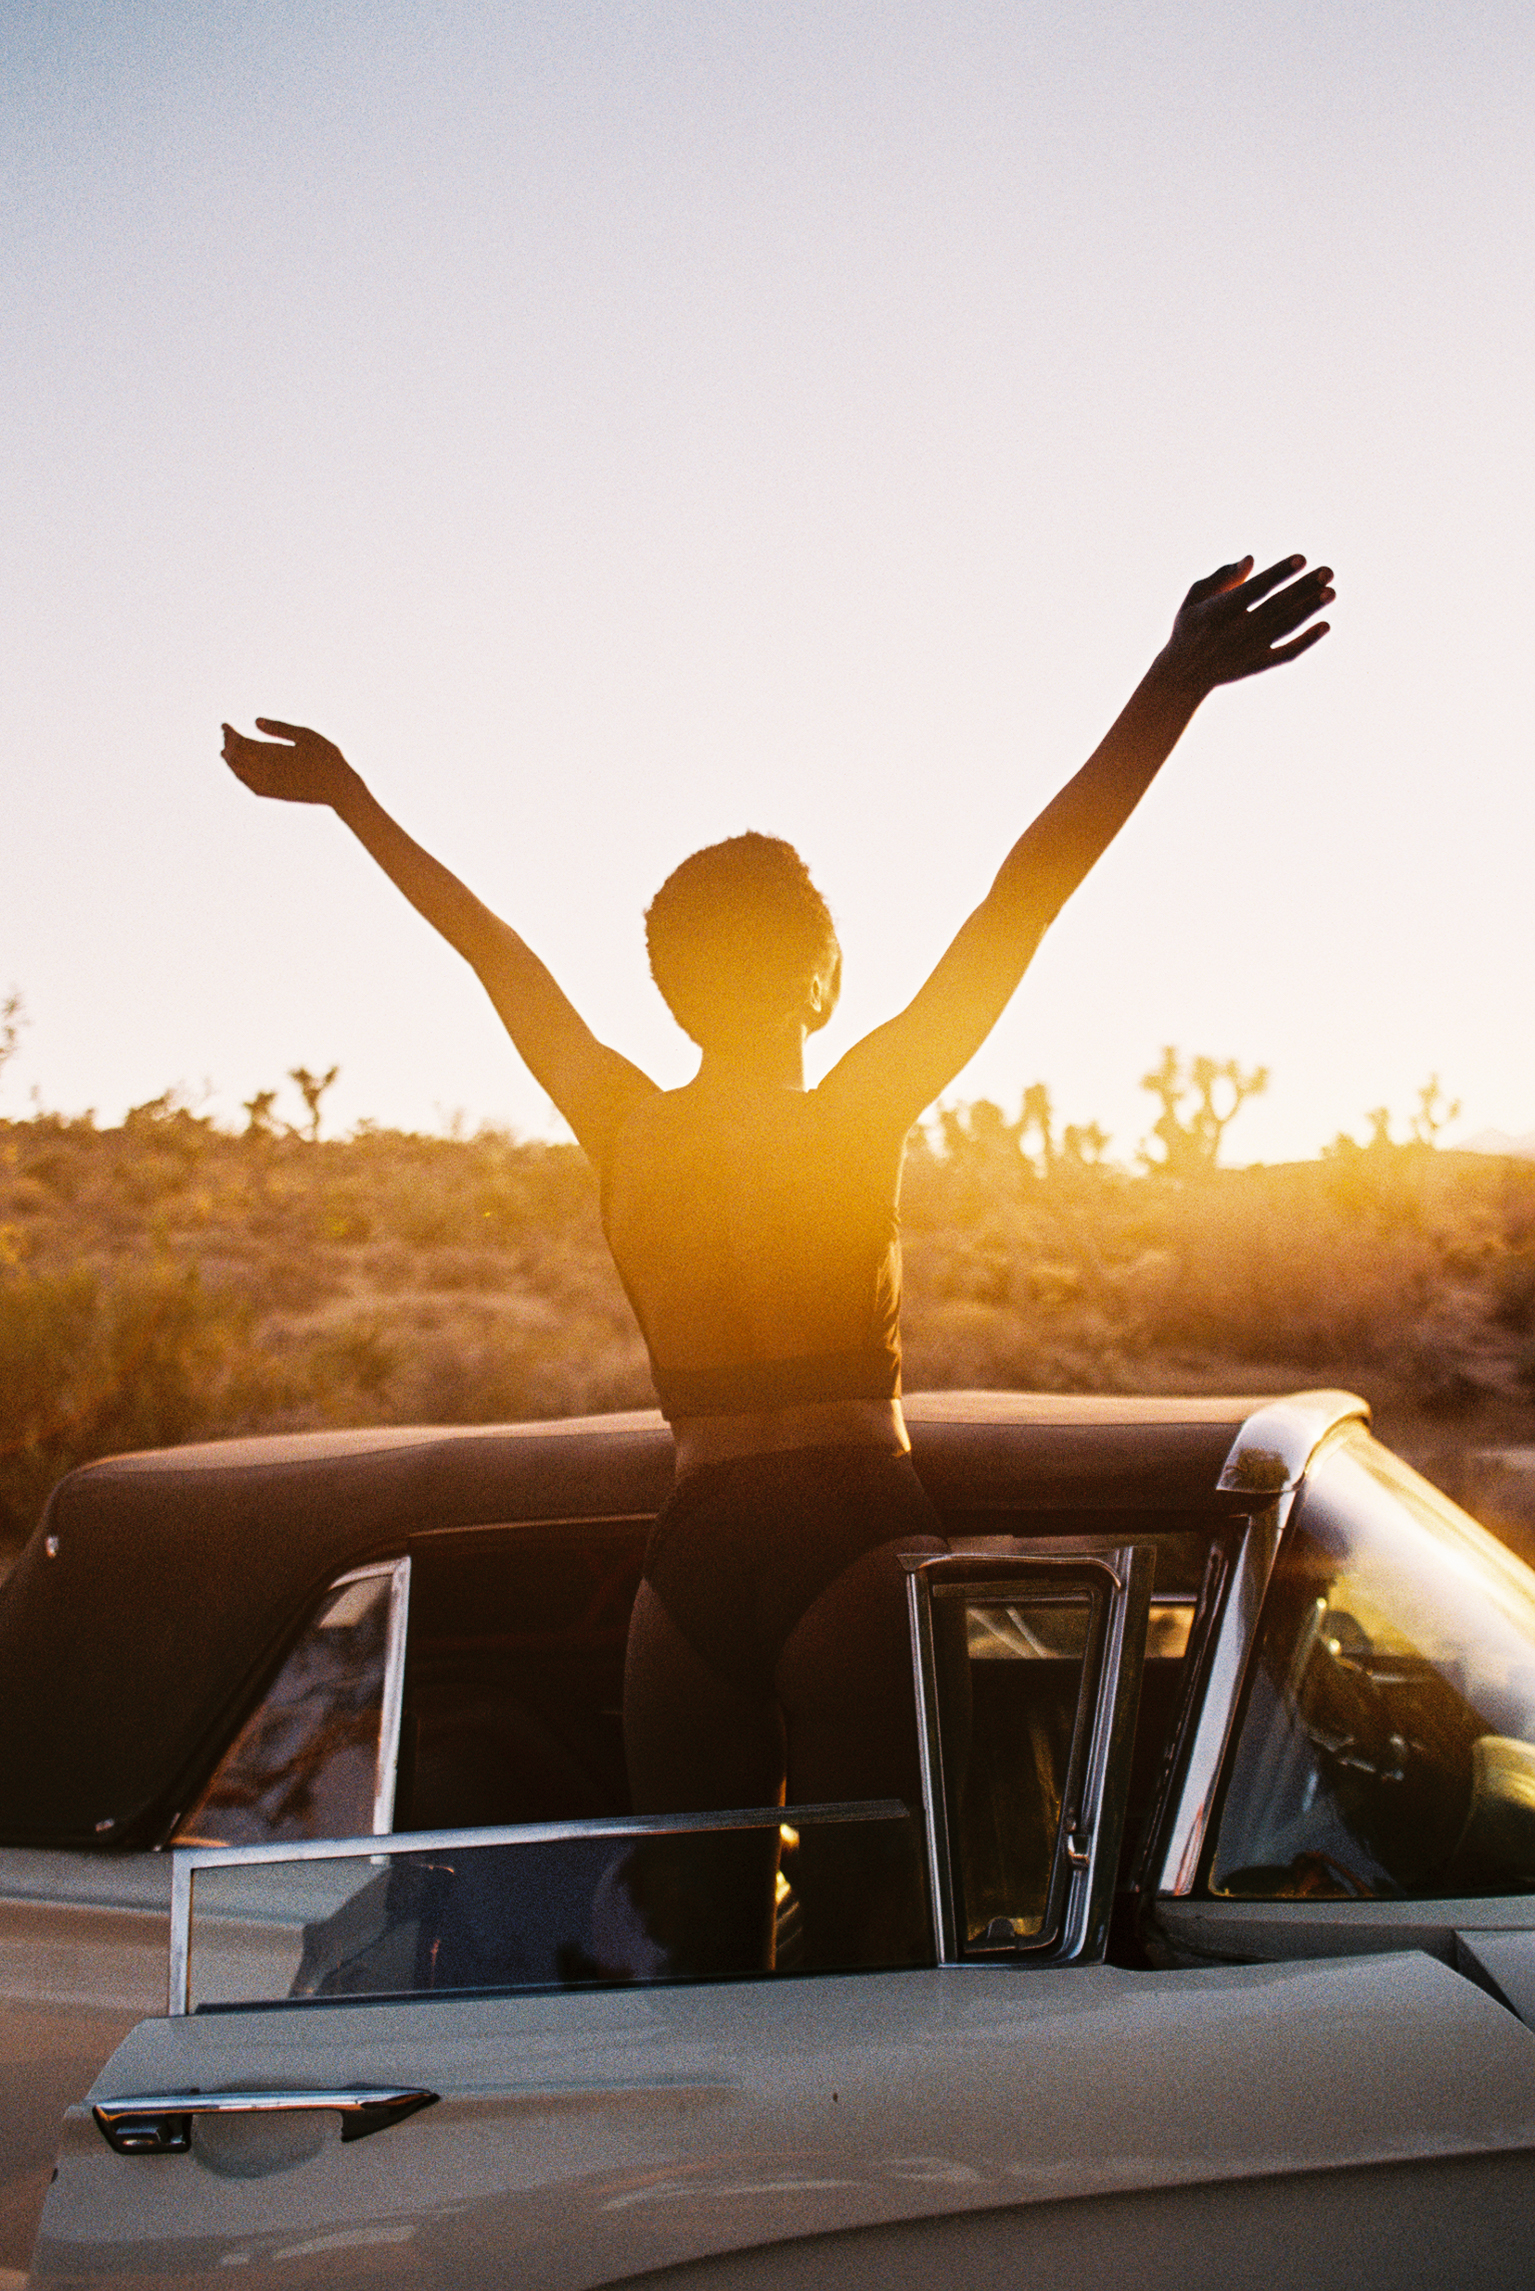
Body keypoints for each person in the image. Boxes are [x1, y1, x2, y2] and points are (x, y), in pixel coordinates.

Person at [221, 551, 1333, 1883]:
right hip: (852, 1521)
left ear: (666, 988)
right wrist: (1171, 687)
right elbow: (1025, 895)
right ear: (826, 979)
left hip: (687, 1561)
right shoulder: (857, 1108)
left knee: (702, 1938)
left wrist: (349, 798)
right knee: (874, 1930)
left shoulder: (623, 1122)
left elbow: (490, 949)